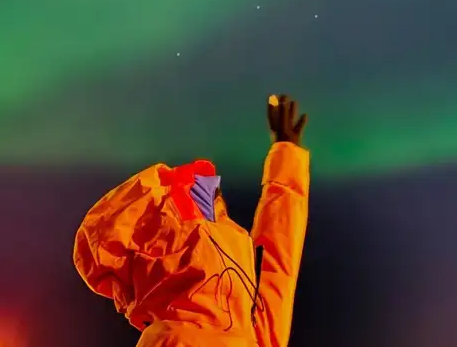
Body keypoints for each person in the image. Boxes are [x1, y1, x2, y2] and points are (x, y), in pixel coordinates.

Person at [73, 94, 310, 347]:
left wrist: (287, 160)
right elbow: (273, 274)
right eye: (195, 200)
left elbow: (274, 270)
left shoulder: (239, 321)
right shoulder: (178, 333)